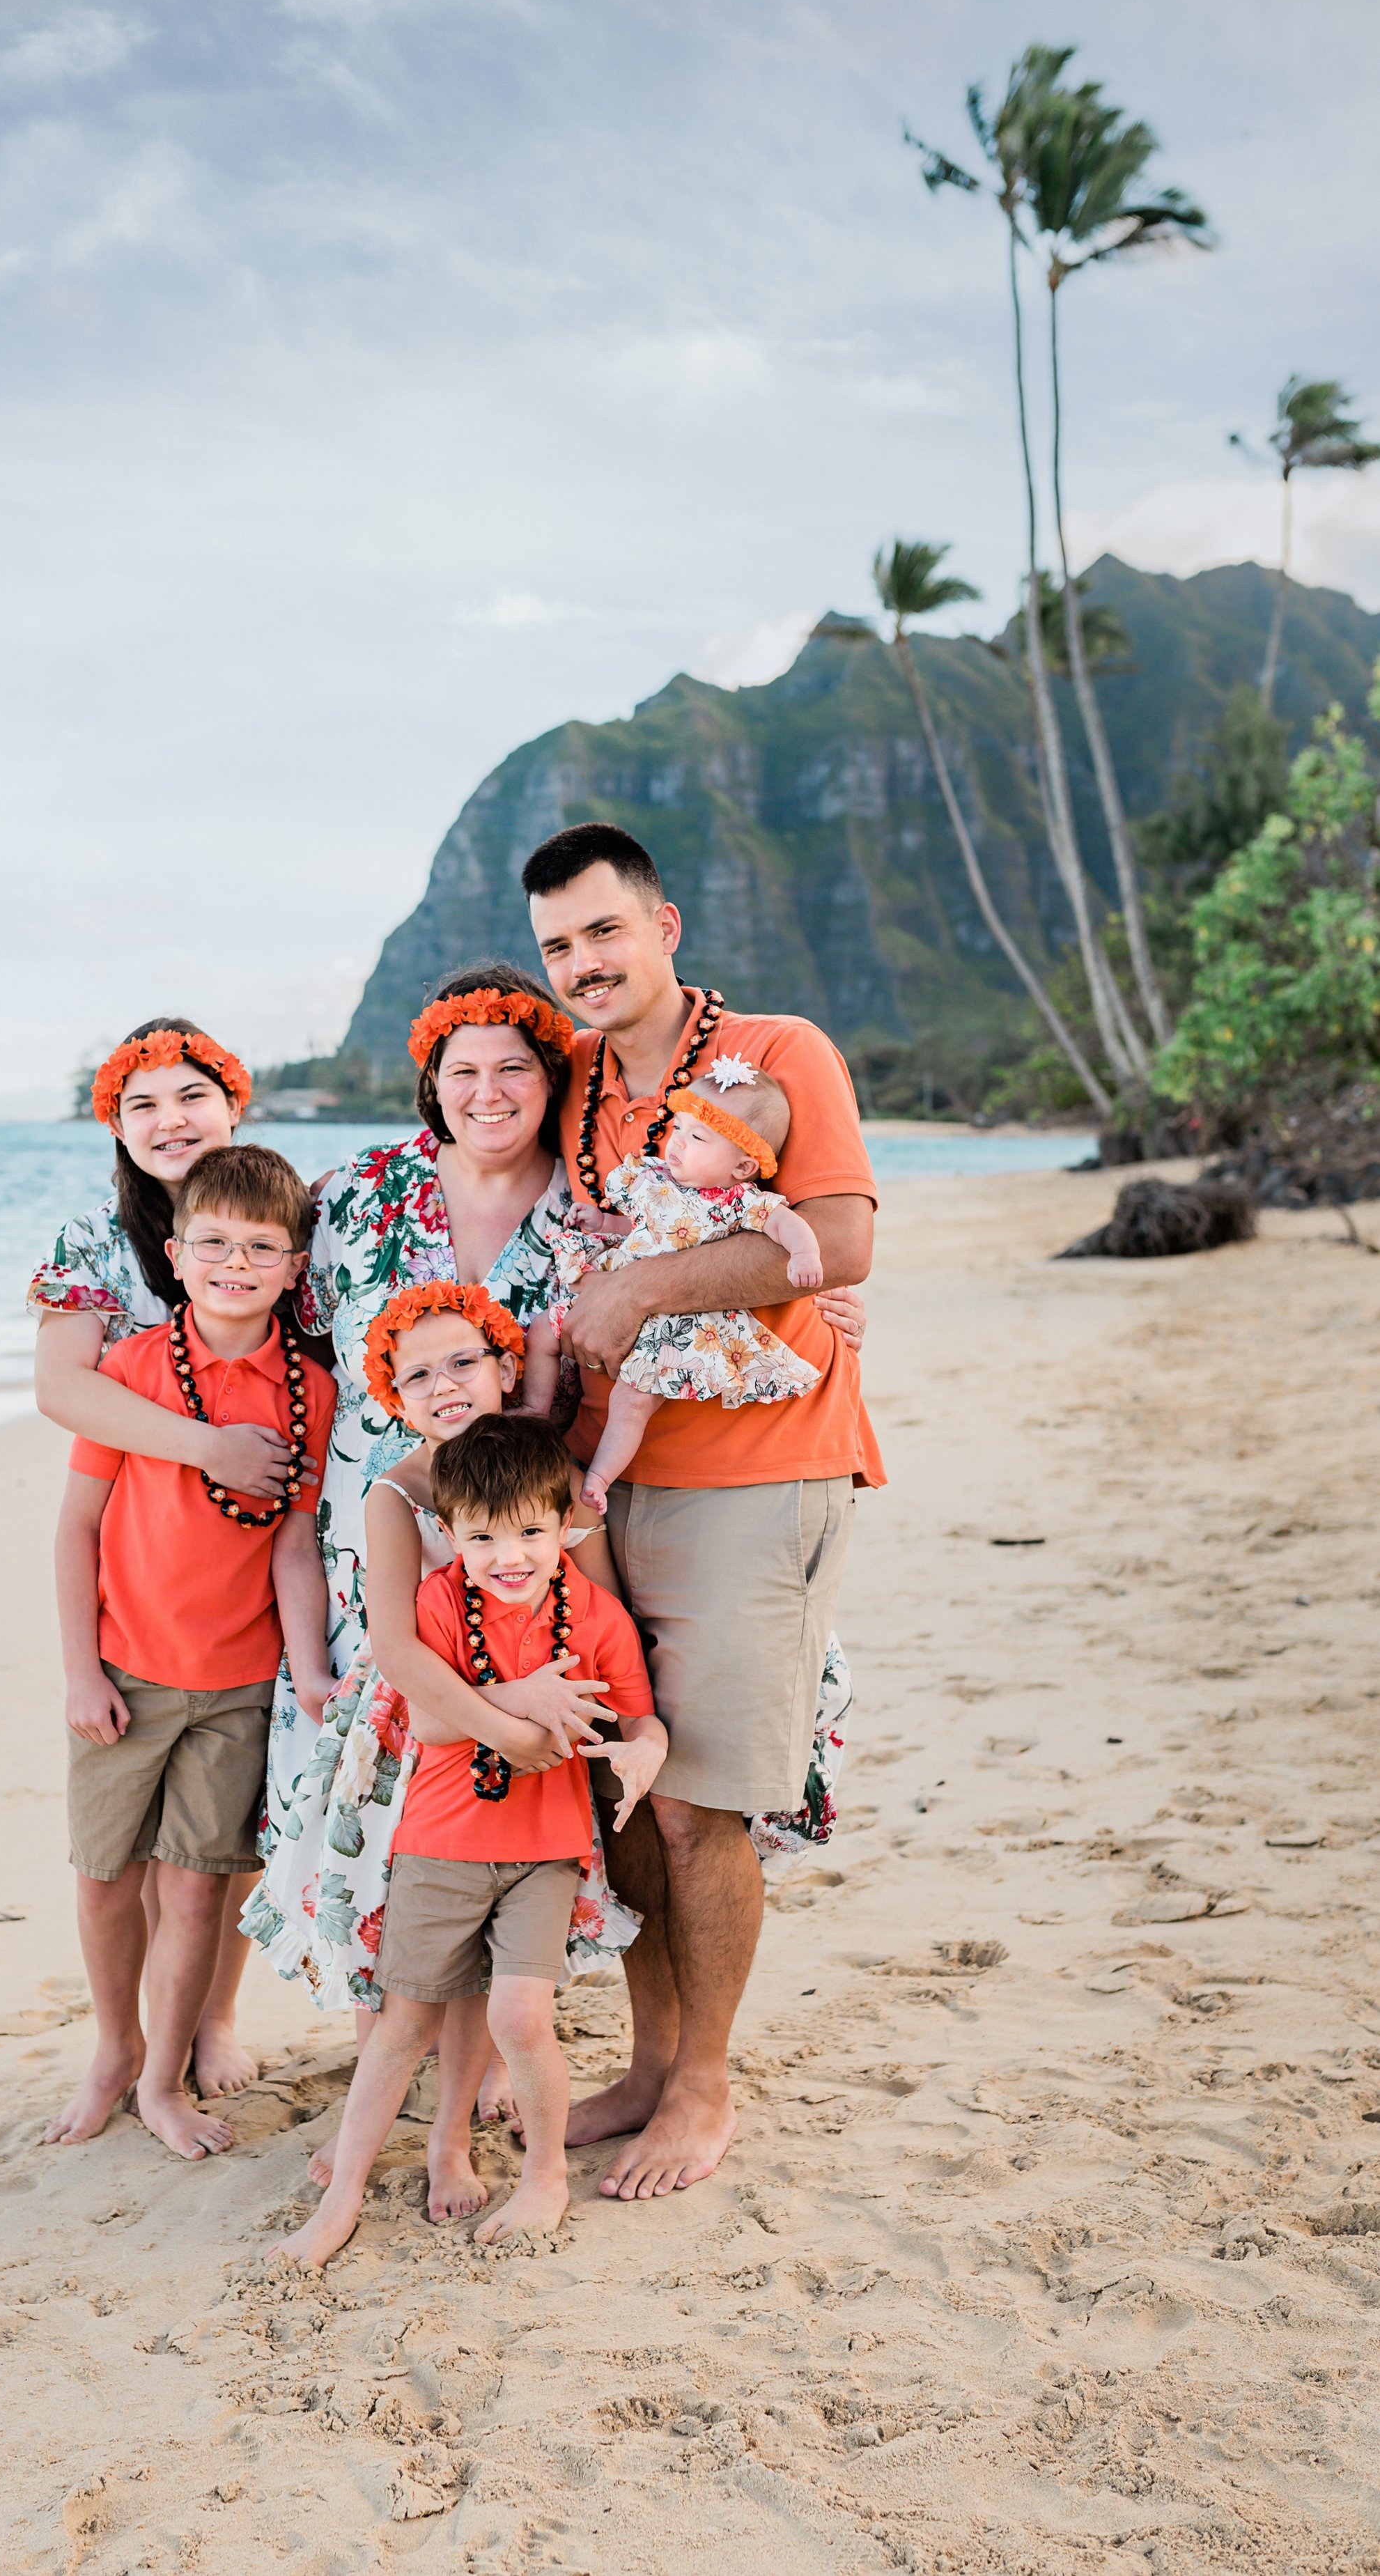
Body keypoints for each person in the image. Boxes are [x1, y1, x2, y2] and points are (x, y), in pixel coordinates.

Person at [522, 820, 883, 2201]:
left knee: (695, 1803)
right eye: (560, 946)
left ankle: (705, 2084)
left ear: (664, 925)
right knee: (618, 1792)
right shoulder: (578, 1088)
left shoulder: (783, 1053)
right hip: (615, 1482)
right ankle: (648, 2055)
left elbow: (837, 1243)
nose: (583, 963)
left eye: (602, 932)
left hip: (757, 1475)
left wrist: (642, 1294)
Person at [242, 1282, 630, 2201]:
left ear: (505, 1368)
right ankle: (372, 2128)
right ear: (394, 1396)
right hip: (418, 1738)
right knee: (406, 1952)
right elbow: (394, 1647)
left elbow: (595, 1603)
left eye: (463, 1361)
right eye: (418, 1374)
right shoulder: (398, 1491)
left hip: (532, 1737)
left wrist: (556, 1718)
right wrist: (502, 1722)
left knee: (480, 1963)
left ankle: (449, 2140)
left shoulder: (551, 1477)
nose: (445, 1384)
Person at [274, 1418, 665, 2267]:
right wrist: (520, 1696)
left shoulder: (593, 1615)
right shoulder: (440, 1600)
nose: (509, 1555)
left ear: (567, 1524)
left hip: (545, 1849)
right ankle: (344, 2192)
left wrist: (642, 1754)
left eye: (531, 1530)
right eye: (483, 1537)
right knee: (402, 2021)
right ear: (448, 1534)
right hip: (440, 1841)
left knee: (521, 2015)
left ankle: (547, 2175)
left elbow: (642, 1717)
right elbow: (428, 1719)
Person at [45, 1144, 336, 2160]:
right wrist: (81, 1669)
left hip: (238, 1686)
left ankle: (164, 2079)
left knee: (199, 1883)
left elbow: (297, 1544)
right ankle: (115, 2050)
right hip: (124, 1671)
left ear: (296, 1266)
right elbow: (78, 1525)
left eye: (262, 1248)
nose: (236, 1263)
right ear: (174, 1255)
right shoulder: (127, 1373)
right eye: (212, 1243)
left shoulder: (311, 1390)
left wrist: (306, 1669)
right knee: (103, 1877)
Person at [526, 1056, 825, 1510]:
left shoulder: (737, 1201)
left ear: (744, 1167)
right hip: (619, 1287)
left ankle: (601, 1478)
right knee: (544, 1329)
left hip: (677, 1325)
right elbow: (640, 1229)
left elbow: (785, 1225)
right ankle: (535, 1410)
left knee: (632, 1402)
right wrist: (602, 1219)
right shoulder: (655, 1181)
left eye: (698, 1137)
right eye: (679, 1128)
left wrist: (805, 1253)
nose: (677, 1144)